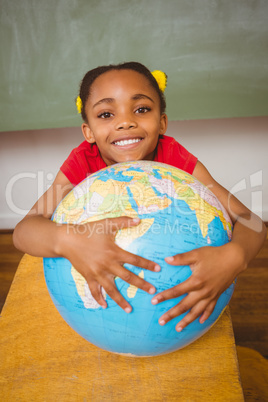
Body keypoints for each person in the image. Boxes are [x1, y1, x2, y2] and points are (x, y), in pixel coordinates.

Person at [13, 62, 266, 332]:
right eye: (106, 114)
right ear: (88, 132)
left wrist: (235, 256)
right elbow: (24, 230)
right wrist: (68, 240)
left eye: (141, 109)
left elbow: (250, 221)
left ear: (162, 123)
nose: (125, 122)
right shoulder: (84, 161)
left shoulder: (174, 158)